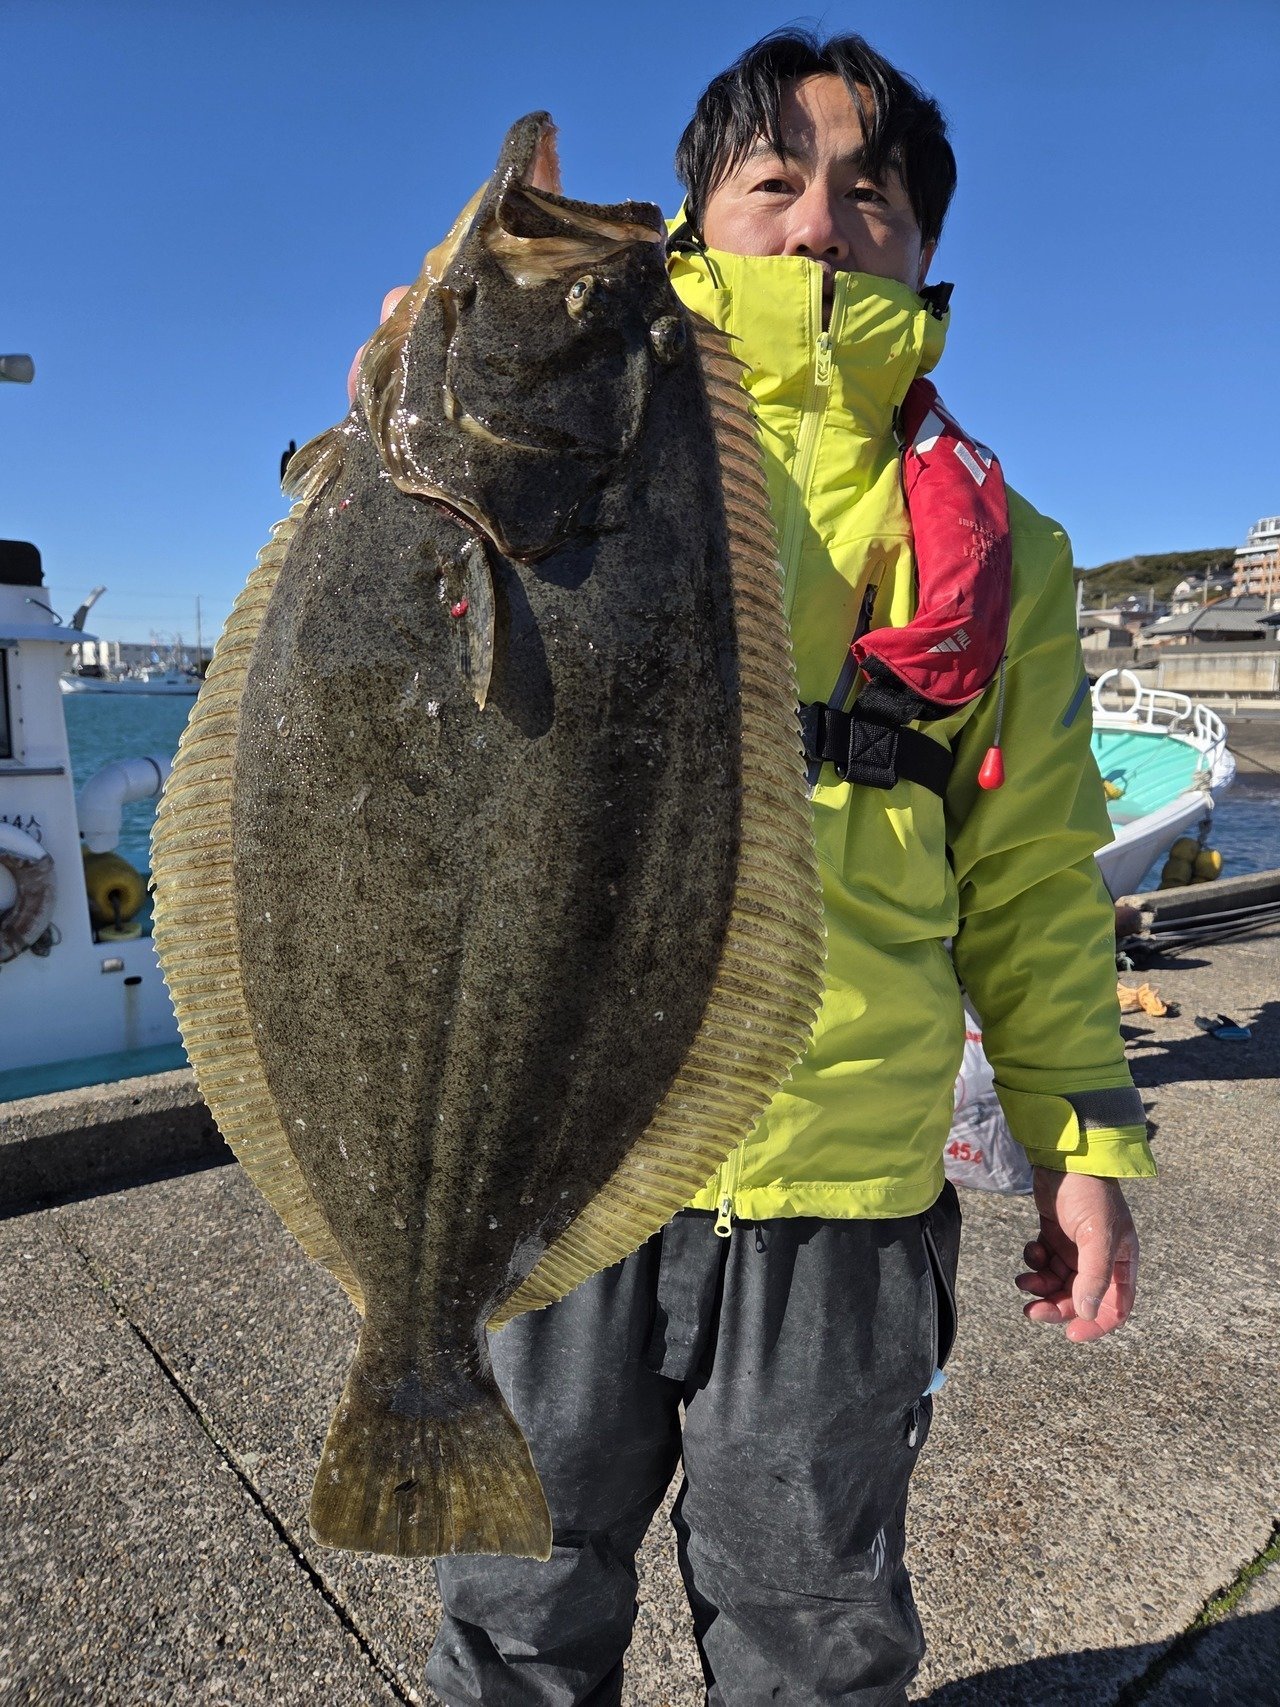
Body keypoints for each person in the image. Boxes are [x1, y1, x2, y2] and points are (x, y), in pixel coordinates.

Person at [356, 30, 1155, 1706]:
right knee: (515, 1608)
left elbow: (1029, 879)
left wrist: (1079, 1145)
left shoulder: (1005, 549)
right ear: (693, 224)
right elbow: (400, 654)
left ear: (925, 248)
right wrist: (417, 368)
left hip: (844, 1193)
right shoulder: (592, 433)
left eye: (874, 195)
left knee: (813, 1631)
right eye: (775, 179)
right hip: (562, 1163)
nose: (822, 222)